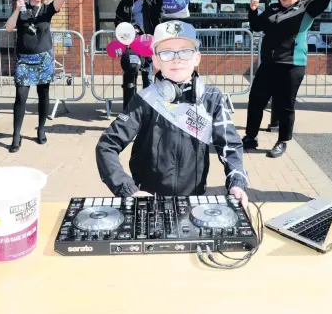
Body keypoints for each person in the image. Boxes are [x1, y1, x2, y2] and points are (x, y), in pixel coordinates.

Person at [96, 20, 249, 206]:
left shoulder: (212, 99)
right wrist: (127, 190)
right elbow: (107, 145)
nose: (177, 59)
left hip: (194, 201)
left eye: (185, 51)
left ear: (197, 58)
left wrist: (237, 183)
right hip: (147, 202)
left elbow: (230, 146)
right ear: (156, 60)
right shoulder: (144, 100)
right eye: (166, 53)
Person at [243, 0, 332, 157]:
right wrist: (253, 9)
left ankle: (282, 141)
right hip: (268, 65)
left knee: (285, 105)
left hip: (291, 65)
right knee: (256, 100)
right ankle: (250, 137)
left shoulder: (307, 8)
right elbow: (257, 26)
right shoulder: (273, 8)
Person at [4, 0, 67, 152]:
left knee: (43, 94)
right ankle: (16, 136)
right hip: (24, 59)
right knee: (21, 96)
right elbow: (9, 28)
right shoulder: (22, 8)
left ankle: (41, 129)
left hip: (43, 58)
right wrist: (17, 9)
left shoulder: (47, 9)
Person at [115, 0, 180, 109]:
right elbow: (118, 23)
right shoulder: (124, 4)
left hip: (148, 45)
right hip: (131, 46)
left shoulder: (153, 0)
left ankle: (147, 108)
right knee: (130, 76)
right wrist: (130, 30)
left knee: (148, 77)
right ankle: (129, 109)